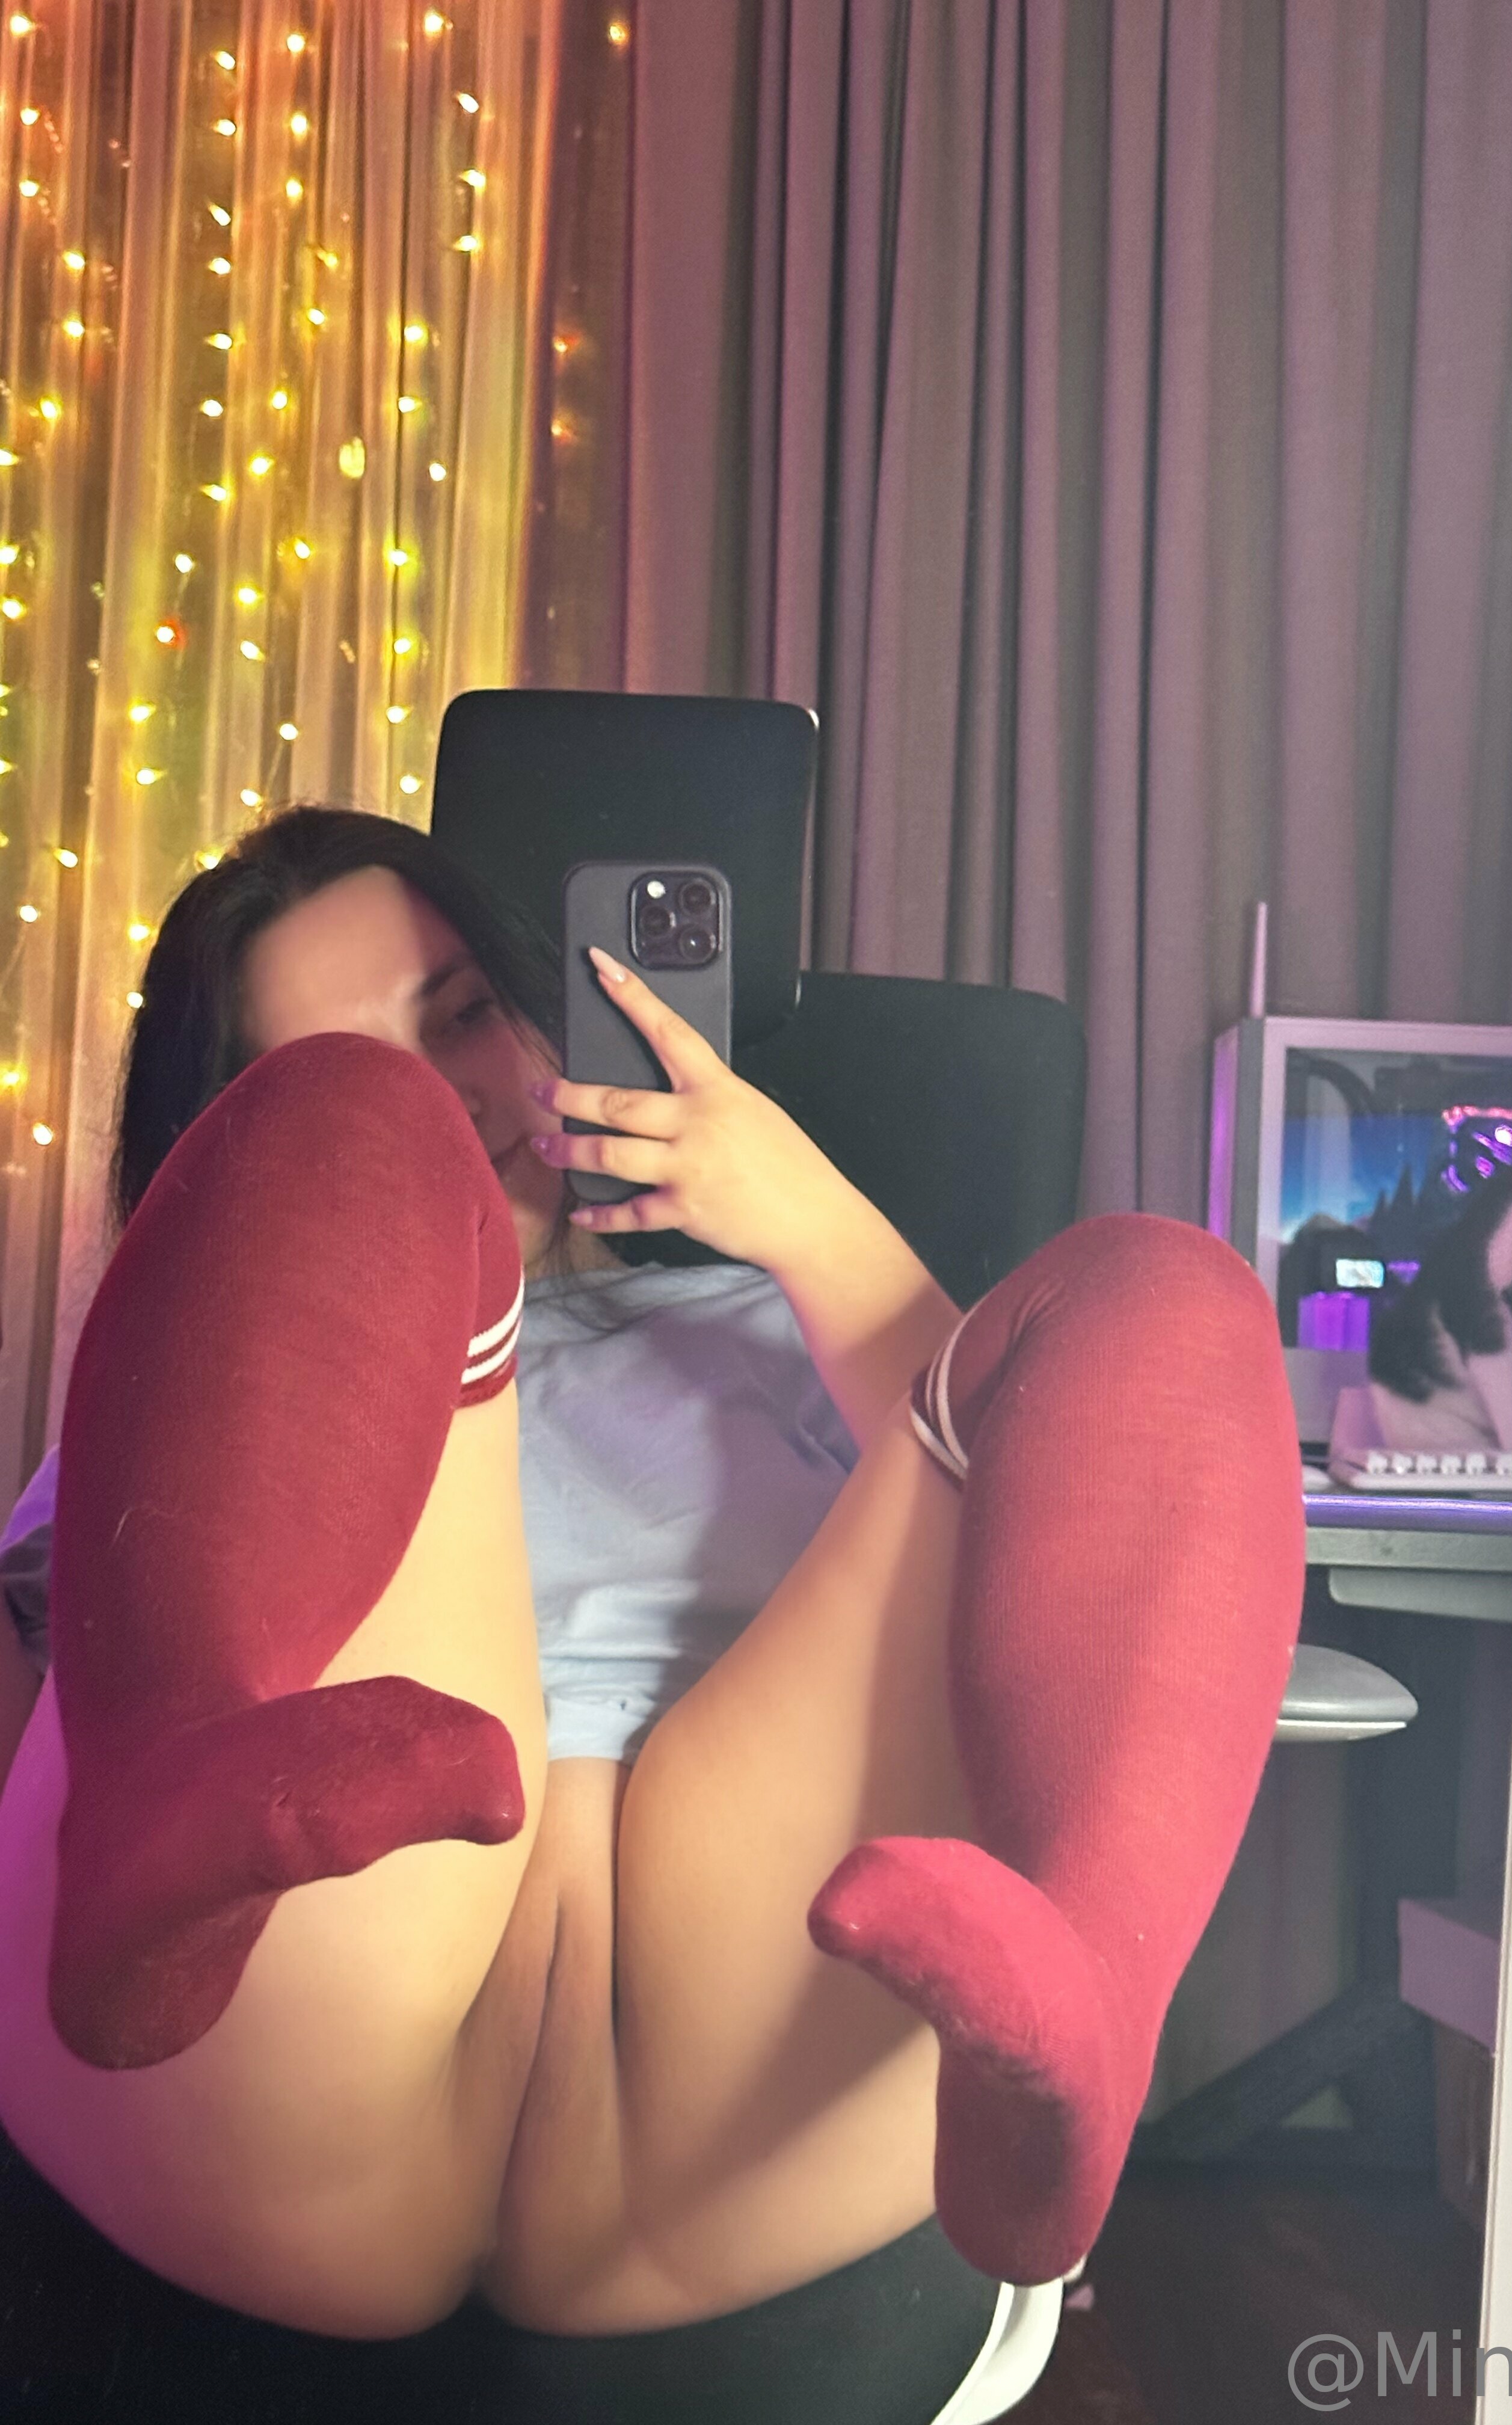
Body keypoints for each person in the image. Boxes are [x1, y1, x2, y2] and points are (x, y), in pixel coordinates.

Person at [0, 807, 1304, 2418]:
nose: (456, 1095)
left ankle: (1083, 1993)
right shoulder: (207, 1376)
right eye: (345, 1052)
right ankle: (170, 1811)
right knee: (357, 1151)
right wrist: (337, 1192)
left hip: (773, 2028)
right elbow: (48, 1609)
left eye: (462, 1012)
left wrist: (809, 1223)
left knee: (1156, 1294)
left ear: (545, 1004)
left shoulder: (786, 1318)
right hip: (294, 1990)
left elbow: (1064, 1523)